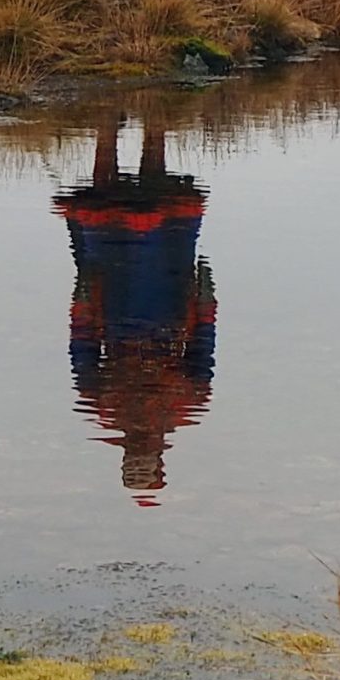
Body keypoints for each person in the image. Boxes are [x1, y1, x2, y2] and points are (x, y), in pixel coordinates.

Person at [54, 106, 217, 503]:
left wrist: (83, 302)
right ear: (159, 460)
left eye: (135, 464)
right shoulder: (187, 403)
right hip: (165, 295)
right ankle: (151, 124)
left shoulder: (101, 402)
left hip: (122, 300)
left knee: (106, 207)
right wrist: (206, 302)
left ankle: (109, 126)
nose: (140, 453)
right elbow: (202, 346)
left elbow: (83, 348)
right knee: (152, 202)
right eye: (144, 464)